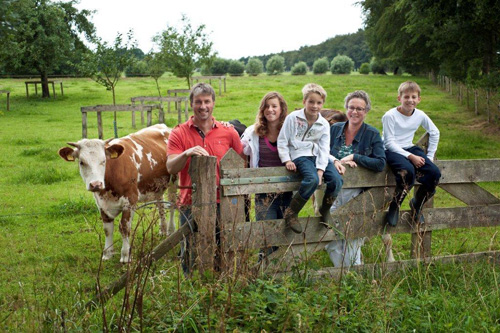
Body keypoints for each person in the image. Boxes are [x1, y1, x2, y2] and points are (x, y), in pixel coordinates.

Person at [166, 82, 244, 273]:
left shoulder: (229, 132)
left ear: (213, 103)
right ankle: (191, 288)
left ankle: (219, 288)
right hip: (190, 202)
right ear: (191, 104)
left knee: (223, 247)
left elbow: (241, 162)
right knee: (189, 250)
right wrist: (186, 153)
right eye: (198, 102)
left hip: (223, 201)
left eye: (207, 101)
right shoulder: (179, 133)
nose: (203, 106)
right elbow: (170, 167)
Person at [324, 90, 388, 267]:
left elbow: (380, 163)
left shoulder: (372, 134)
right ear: (346, 109)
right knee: (330, 236)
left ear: (366, 111)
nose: (355, 112)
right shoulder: (334, 129)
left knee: (353, 237)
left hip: (357, 193)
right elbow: (322, 152)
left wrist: (355, 157)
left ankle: (353, 275)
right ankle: (346, 274)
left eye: (360, 108)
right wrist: (335, 160)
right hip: (333, 189)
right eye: (351, 107)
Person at [277, 83, 344, 234]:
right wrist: (287, 160)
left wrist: (321, 169)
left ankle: (324, 210)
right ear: (304, 101)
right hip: (300, 155)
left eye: (319, 102)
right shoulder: (292, 118)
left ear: (323, 104)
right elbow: (283, 140)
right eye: (311, 102)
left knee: (337, 180)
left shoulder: (323, 124)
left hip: (319, 156)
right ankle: (292, 212)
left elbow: (324, 147)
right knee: (312, 180)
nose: (315, 106)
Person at [382, 81, 441, 226]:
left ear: (419, 99)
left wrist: (429, 157)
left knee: (434, 174)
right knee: (407, 171)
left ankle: (417, 205)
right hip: (391, 149)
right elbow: (389, 142)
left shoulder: (420, 115)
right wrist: (410, 157)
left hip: (409, 146)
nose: (410, 100)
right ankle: (395, 206)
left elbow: (435, 132)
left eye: (414, 97)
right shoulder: (390, 116)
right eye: (406, 97)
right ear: (399, 98)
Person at [241, 92, 292, 221]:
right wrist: (228, 127)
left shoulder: (290, 131)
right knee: (265, 232)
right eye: (267, 106)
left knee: (287, 233)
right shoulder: (253, 132)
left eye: (274, 106)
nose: (270, 110)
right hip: (263, 191)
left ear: (282, 109)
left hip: (288, 189)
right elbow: (240, 149)